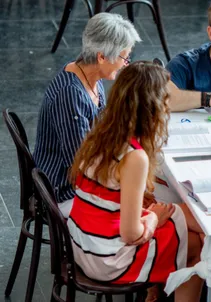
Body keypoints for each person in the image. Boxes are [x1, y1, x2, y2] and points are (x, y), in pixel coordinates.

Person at [67, 62, 205, 301]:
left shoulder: (102, 133)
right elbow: (131, 234)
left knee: (181, 216)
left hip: (81, 243)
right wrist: (152, 218)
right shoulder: (134, 156)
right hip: (107, 259)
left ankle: (156, 287)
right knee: (198, 246)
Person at [33, 13, 140, 218]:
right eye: (124, 57)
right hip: (63, 192)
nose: (126, 63)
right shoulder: (70, 95)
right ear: (102, 56)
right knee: (137, 203)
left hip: (78, 174)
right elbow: (80, 165)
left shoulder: (89, 73)